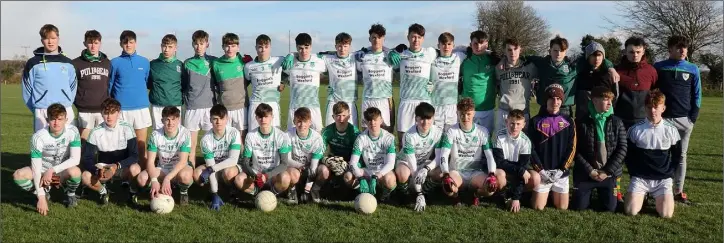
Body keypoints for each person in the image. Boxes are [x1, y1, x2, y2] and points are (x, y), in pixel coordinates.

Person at [653, 35, 701, 205]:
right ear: (670, 49)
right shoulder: (659, 67)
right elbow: (652, 92)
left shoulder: (693, 68)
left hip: (684, 120)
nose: (682, 51)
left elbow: (697, 95)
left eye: (685, 47)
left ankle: (678, 192)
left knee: (681, 156)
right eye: (678, 47)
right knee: (660, 154)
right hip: (663, 120)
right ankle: (657, 191)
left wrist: (692, 118)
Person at [13, 103, 81, 215]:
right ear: (47, 119)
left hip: (60, 171)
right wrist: (41, 197)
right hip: (42, 169)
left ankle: (70, 195)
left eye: (60, 119)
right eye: (53, 119)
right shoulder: (38, 137)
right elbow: (36, 168)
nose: (56, 123)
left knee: (75, 172)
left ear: (66, 119)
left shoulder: (73, 131)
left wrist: (52, 170)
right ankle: (42, 192)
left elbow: (75, 159)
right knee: (18, 175)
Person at [529, 35, 619, 118]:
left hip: (565, 109)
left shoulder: (574, 65)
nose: (558, 53)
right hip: (545, 107)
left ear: (566, 51)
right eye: (555, 50)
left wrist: (611, 68)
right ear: (550, 50)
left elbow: (597, 57)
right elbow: (523, 58)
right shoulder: (541, 63)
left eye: (562, 50)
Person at [436, 97, 503, 206]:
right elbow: (444, 154)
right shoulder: (451, 131)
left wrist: (491, 173)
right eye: (462, 114)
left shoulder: (483, 131)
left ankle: (476, 195)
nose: (465, 117)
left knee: (491, 188)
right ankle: (456, 196)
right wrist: (446, 174)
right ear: (457, 113)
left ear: (473, 113)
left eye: (468, 114)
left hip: (475, 173)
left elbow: (489, 156)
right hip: (457, 172)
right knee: (448, 187)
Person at [624, 90, 680, 218]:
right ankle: (642, 196)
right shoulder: (635, 129)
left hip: (662, 179)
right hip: (641, 178)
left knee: (666, 214)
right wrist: (634, 173)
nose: (652, 111)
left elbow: (677, 156)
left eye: (656, 107)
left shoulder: (671, 130)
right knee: (630, 211)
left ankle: (659, 196)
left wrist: (670, 173)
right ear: (645, 108)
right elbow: (628, 155)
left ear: (663, 108)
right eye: (649, 107)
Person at [571, 86, 627, 212]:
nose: (609, 103)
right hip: (587, 174)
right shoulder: (581, 122)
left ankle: (604, 191)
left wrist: (607, 171)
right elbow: (576, 150)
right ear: (595, 100)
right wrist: (590, 170)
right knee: (579, 207)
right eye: (605, 99)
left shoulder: (617, 122)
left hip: (608, 174)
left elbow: (622, 148)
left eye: (611, 100)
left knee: (610, 208)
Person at [80, 98, 141, 205]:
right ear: (101, 113)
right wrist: (97, 171)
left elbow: (134, 155)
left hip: (122, 168)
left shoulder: (127, 128)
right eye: (106, 113)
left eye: (113, 113)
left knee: (135, 169)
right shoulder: (95, 132)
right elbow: (87, 158)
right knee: (85, 176)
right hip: (103, 168)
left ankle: (132, 192)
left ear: (119, 113)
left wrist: (116, 166)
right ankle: (103, 192)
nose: (109, 116)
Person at [527, 84, 576, 210]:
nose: (555, 102)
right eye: (551, 98)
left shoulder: (569, 121)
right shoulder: (535, 121)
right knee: (538, 207)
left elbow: (572, 147)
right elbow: (530, 148)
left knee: (562, 207)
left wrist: (562, 169)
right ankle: (538, 192)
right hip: (543, 173)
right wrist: (540, 170)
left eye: (558, 99)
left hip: (560, 173)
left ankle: (551, 193)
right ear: (545, 100)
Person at [22, 24, 77, 132]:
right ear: (42, 40)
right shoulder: (33, 63)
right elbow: (27, 90)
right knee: (43, 144)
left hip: (65, 109)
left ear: (58, 39)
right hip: (42, 111)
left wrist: (67, 101)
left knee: (66, 145)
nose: (50, 42)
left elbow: (73, 87)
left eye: (53, 38)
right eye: (47, 38)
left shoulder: (68, 63)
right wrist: (36, 108)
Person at [109, 30, 152, 166]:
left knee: (141, 145)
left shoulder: (145, 62)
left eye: (131, 42)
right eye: (125, 42)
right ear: (121, 44)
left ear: (136, 43)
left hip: (140, 108)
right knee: (122, 145)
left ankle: (142, 174)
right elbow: (110, 85)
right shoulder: (114, 62)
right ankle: (123, 175)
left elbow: (146, 81)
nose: (128, 45)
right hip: (121, 110)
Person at [136, 106, 194, 206]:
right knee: (142, 179)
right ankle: (155, 190)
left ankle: (183, 191)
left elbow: (183, 161)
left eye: (173, 119)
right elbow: (150, 162)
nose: (170, 123)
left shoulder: (185, 133)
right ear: (162, 120)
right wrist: (154, 180)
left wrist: (167, 178)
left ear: (178, 119)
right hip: (162, 168)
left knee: (185, 176)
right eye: (167, 119)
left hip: (179, 168)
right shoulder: (155, 135)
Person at [237, 103, 294, 199]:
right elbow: (245, 162)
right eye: (260, 117)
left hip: (273, 174)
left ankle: (271, 194)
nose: (263, 120)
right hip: (256, 174)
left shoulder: (281, 135)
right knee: (239, 179)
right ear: (256, 118)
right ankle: (257, 193)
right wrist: (256, 176)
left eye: (266, 116)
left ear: (272, 117)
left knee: (285, 178)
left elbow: (284, 163)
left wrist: (267, 175)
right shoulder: (251, 135)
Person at [394, 102, 443, 211]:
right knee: (403, 173)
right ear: (416, 118)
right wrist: (418, 193)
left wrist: (426, 169)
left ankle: (425, 192)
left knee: (441, 172)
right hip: (406, 162)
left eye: (429, 118)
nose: (425, 122)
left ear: (433, 118)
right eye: (422, 119)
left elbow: (439, 157)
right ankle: (404, 193)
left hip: (423, 162)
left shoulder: (438, 132)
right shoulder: (409, 136)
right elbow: (412, 165)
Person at [193, 104, 243, 211]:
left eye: (221, 118)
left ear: (227, 119)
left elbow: (233, 160)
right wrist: (214, 193)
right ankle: (213, 192)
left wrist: (212, 169)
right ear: (210, 120)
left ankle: (232, 192)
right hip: (214, 166)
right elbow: (210, 165)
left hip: (230, 166)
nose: (218, 122)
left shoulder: (234, 133)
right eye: (215, 119)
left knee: (228, 172)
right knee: (197, 174)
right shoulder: (205, 140)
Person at [395, 23, 438, 144]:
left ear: (423, 39)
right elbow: (384, 55)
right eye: (413, 37)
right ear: (408, 37)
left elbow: (449, 51)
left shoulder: (430, 52)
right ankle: (402, 161)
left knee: (426, 139)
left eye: (419, 37)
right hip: (406, 101)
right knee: (403, 139)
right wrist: (393, 51)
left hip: (424, 101)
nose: (416, 40)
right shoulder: (401, 54)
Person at [344, 107, 397, 202]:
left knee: (390, 180)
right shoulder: (361, 138)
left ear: (381, 120)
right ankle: (361, 192)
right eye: (369, 120)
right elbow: (353, 163)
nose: (372, 123)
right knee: (348, 176)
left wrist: (377, 176)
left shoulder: (389, 138)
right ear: (366, 122)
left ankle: (385, 194)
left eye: (375, 119)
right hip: (367, 171)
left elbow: (391, 163)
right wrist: (360, 178)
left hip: (382, 172)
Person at [356, 24, 401, 133]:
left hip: (385, 100)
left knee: (387, 133)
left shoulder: (390, 56)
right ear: (369, 38)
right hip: (368, 99)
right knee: (366, 132)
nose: (377, 40)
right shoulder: (362, 56)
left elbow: (404, 71)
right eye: (374, 37)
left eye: (380, 37)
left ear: (384, 38)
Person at [182, 30, 218, 167]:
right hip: (192, 108)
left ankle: (213, 172)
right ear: (192, 44)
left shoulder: (213, 62)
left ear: (207, 44)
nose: (199, 47)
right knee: (191, 145)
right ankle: (189, 174)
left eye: (201, 44)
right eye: (196, 44)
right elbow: (184, 85)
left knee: (211, 145)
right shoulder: (187, 63)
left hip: (209, 107)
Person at [280, 33, 327, 132]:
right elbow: (282, 74)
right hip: (295, 107)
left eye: (306, 47)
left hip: (313, 107)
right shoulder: (290, 63)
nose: (304, 51)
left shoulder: (319, 61)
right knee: (292, 137)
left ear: (311, 46)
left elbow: (333, 56)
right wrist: (282, 82)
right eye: (300, 48)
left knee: (317, 135)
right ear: (296, 47)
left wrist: (292, 53)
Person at [72, 30, 111, 144]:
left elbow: (110, 84)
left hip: (102, 110)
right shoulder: (76, 63)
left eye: (96, 42)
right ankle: (84, 162)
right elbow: (72, 86)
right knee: (84, 143)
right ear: (84, 43)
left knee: (103, 143)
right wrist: (79, 102)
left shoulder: (107, 63)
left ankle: (102, 162)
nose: (93, 46)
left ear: (100, 43)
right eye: (90, 42)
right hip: (85, 110)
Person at [493, 109, 535, 213]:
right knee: (500, 174)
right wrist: (520, 171)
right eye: (512, 123)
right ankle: (503, 195)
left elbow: (523, 168)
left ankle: (516, 195)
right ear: (506, 122)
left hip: (515, 170)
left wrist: (516, 198)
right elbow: (499, 163)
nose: (515, 127)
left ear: (523, 124)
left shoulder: (526, 142)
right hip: (503, 169)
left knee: (535, 178)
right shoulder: (499, 136)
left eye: (518, 124)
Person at [211, 33, 251, 141]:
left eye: (233, 46)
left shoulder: (244, 61)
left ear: (238, 47)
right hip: (225, 108)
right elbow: (215, 85)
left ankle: (243, 158)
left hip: (241, 106)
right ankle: (228, 158)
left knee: (242, 137)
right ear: (223, 47)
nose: (230, 49)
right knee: (227, 138)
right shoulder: (216, 64)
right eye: (227, 46)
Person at [459, 30, 499, 133]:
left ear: (487, 44)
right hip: (467, 109)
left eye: (482, 43)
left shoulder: (494, 60)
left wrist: (492, 53)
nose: (478, 46)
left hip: (487, 109)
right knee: (466, 140)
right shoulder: (463, 59)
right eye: (475, 43)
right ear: (470, 44)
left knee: (486, 141)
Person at [319, 101, 360, 200]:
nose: (341, 119)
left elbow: (361, 155)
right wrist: (326, 160)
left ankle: (355, 193)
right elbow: (319, 152)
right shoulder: (327, 131)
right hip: (333, 161)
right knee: (322, 170)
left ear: (349, 116)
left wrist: (350, 164)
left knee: (350, 175)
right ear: (333, 116)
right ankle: (319, 190)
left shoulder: (355, 133)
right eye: (338, 115)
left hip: (351, 162)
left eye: (344, 115)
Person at [495, 38, 537, 132]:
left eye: (515, 49)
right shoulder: (498, 68)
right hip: (504, 112)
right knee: (501, 144)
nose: (512, 52)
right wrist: (502, 60)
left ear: (520, 50)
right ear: (504, 51)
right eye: (509, 50)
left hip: (522, 113)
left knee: (522, 144)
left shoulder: (529, 67)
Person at [615, 36, 658, 129]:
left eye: (638, 52)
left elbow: (656, 95)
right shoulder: (617, 70)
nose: (635, 55)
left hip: (644, 122)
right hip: (621, 121)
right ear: (625, 52)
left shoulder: (651, 71)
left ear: (643, 52)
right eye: (631, 52)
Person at [285, 107, 326, 204]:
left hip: (310, 166)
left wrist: (306, 191)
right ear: (294, 121)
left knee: (324, 171)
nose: (302, 125)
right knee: (293, 173)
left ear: (310, 122)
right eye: (299, 121)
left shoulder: (317, 138)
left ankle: (314, 190)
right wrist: (299, 165)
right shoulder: (287, 135)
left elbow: (313, 166)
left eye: (305, 121)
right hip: (294, 166)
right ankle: (292, 190)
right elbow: (286, 159)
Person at [245, 34, 285, 131]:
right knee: (254, 136)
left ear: (270, 47)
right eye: (260, 47)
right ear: (256, 48)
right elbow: (246, 82)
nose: (263, 50)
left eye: (266, 47)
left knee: (274, 136)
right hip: (256, 104)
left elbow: (289, 70)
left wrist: (283, 82)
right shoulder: (248, 66)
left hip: (272, 103)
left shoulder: (279, 60)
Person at [320, 32, 359, 127]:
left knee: (353, 133)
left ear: (349, 46)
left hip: (350, 101)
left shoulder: (356, 57)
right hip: (333, 101)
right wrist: (292, 54)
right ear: (335, 46)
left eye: (345, 46)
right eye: (340, 46)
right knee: (329, 131)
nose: (342, 49)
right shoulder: (327, 59)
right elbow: (307, 55)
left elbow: (374, 50)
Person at [431, 32, 466, 131]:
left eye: (449, 44)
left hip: (452, 107)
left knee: (451, 139)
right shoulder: (432, 60)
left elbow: (472, 49)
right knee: (436, 141)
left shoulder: (458, 57)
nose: (446, 47)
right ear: (438, 46)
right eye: (443, 44)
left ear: (453, 46)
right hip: (436, 106)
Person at [574, 41, 618, 119]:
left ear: (603, 57)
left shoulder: (609, 74)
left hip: (604, 116)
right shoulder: (580, 74)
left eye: (599, 55)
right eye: (593, 55)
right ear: (588, 57)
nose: (597, 58)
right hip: (584, 116)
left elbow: (615, 94)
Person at [148, 34, 184, 130]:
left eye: (170, 47)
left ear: (175, 48)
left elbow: (184, 85)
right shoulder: (153, 64)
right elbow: (149, 84)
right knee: (158, 135)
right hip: (158, 106)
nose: (166, 49)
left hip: (175, 105)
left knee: (175, 134)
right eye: (164, 46)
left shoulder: (180, 65)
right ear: (161, 46)